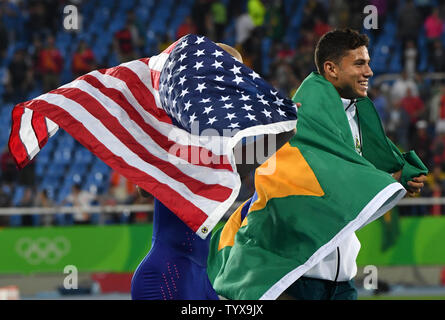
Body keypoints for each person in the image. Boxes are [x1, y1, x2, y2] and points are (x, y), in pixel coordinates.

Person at [207, 29, 427, 300]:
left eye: (368, 62)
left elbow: (344, 196)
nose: (369, 71)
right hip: (300, 276)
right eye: (359, 63)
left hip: (343, 280)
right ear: (331, 69)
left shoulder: (357, 120)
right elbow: (323, 184)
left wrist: (394, 181)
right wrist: (388, 180)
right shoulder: (299, 119)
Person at [131, 42, 296, 300]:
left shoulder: (213, 133)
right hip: (168, 277)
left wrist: (283, 127)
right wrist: (282, 132)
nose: (234, 80)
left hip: (198, 275)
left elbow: (232, 168)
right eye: (229, 72)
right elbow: (146, 187)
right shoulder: (179, 125)